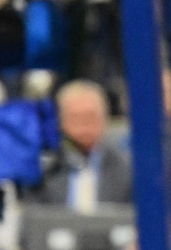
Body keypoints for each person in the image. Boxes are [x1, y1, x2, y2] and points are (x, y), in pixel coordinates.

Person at [32, 80, 133, 209]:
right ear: (62, 121)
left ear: (105, 118)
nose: (85, 124)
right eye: (77, 117)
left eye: (91, 115)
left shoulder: (129, 169)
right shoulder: (45, 171)